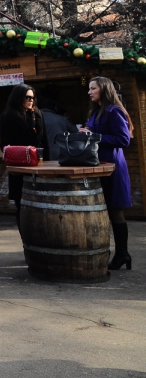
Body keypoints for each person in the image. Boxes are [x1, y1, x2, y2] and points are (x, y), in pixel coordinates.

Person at [84, 77, 134, 270]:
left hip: (113, 167)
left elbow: (123, 139)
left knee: (115, 210)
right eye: (89, 88)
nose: (89, 92)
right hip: (101, 165)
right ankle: (120, 253)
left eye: (93, 88)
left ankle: (122, 253)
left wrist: (94, 137)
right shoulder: (97, 111)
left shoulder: (114, 111)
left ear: (103, 89)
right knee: (108, 210)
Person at [0, 85, 47, 229]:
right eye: (27, 97)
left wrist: (47, 161)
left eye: (32, 97)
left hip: (38, 163)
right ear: (18, 98)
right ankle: (26, 237)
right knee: (22, 204)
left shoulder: (38, 114)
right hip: (19, 166)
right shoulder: (9, 116)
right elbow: (4, 144)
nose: (31, 100)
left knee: (41, 202)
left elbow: (43, 141)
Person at [40, 95, 78, 161]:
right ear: (54, 107)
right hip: (60, 153)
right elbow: (76, 133)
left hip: (40, 154)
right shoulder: (61, 119)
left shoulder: (34, 119)